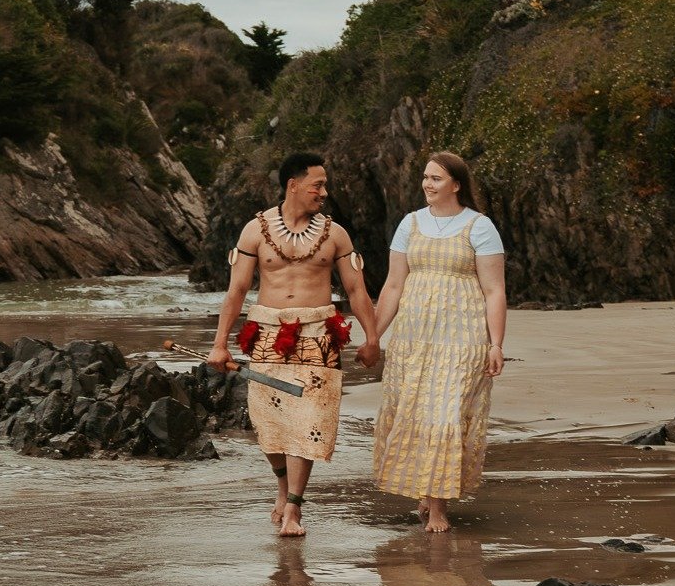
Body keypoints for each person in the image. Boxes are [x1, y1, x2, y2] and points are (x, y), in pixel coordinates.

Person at [209, 152, 381, 537]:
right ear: (293, 185)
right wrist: (219, 343)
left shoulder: (336, 235)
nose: (324, 192)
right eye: (317, 184)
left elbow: (357, 290)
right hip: (267, 333)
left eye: (324, 184)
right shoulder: (254, 232)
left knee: (310, 422)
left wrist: (373, 339)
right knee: (268, 423)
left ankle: (294, 508)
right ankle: (283, 486)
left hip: (319, 335)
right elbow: (236, 290)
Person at [370, 152, 506, 534]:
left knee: (445, 415)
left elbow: (495, 290)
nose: (428, 184)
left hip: (462, 336)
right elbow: (394, 285)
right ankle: (427, 493)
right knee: (416, 413)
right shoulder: (409, 224)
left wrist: (496, 344)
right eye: (425, 177)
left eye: (436, 178)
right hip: (413, 336)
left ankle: (437, 508)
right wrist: (374, 336)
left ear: (456, 185)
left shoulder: (479, 227)